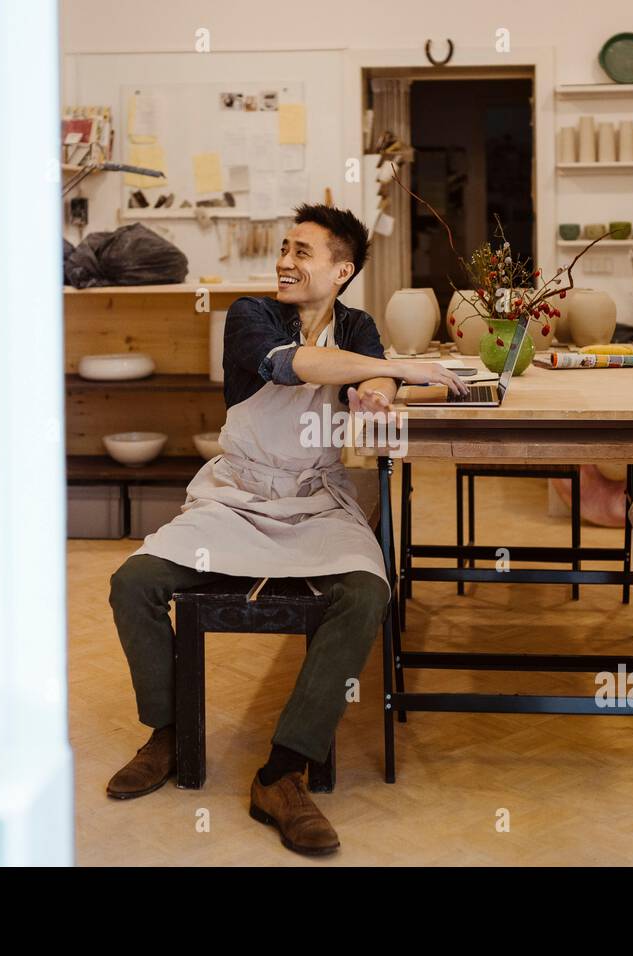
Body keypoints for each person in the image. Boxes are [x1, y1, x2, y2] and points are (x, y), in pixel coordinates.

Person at [107, 204, 466, 856]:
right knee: (133, 582)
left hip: (314, 501)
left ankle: (283, 772)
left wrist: (380, 386)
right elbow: (292, 365)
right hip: (236, 498)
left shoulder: (355, 325)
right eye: (284, 248)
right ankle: (167, 733)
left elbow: (370, 365)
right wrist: (398, 371)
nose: (284, 261)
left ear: (341, 269)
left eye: (301, 251)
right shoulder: (253, 316)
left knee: (364, 592)